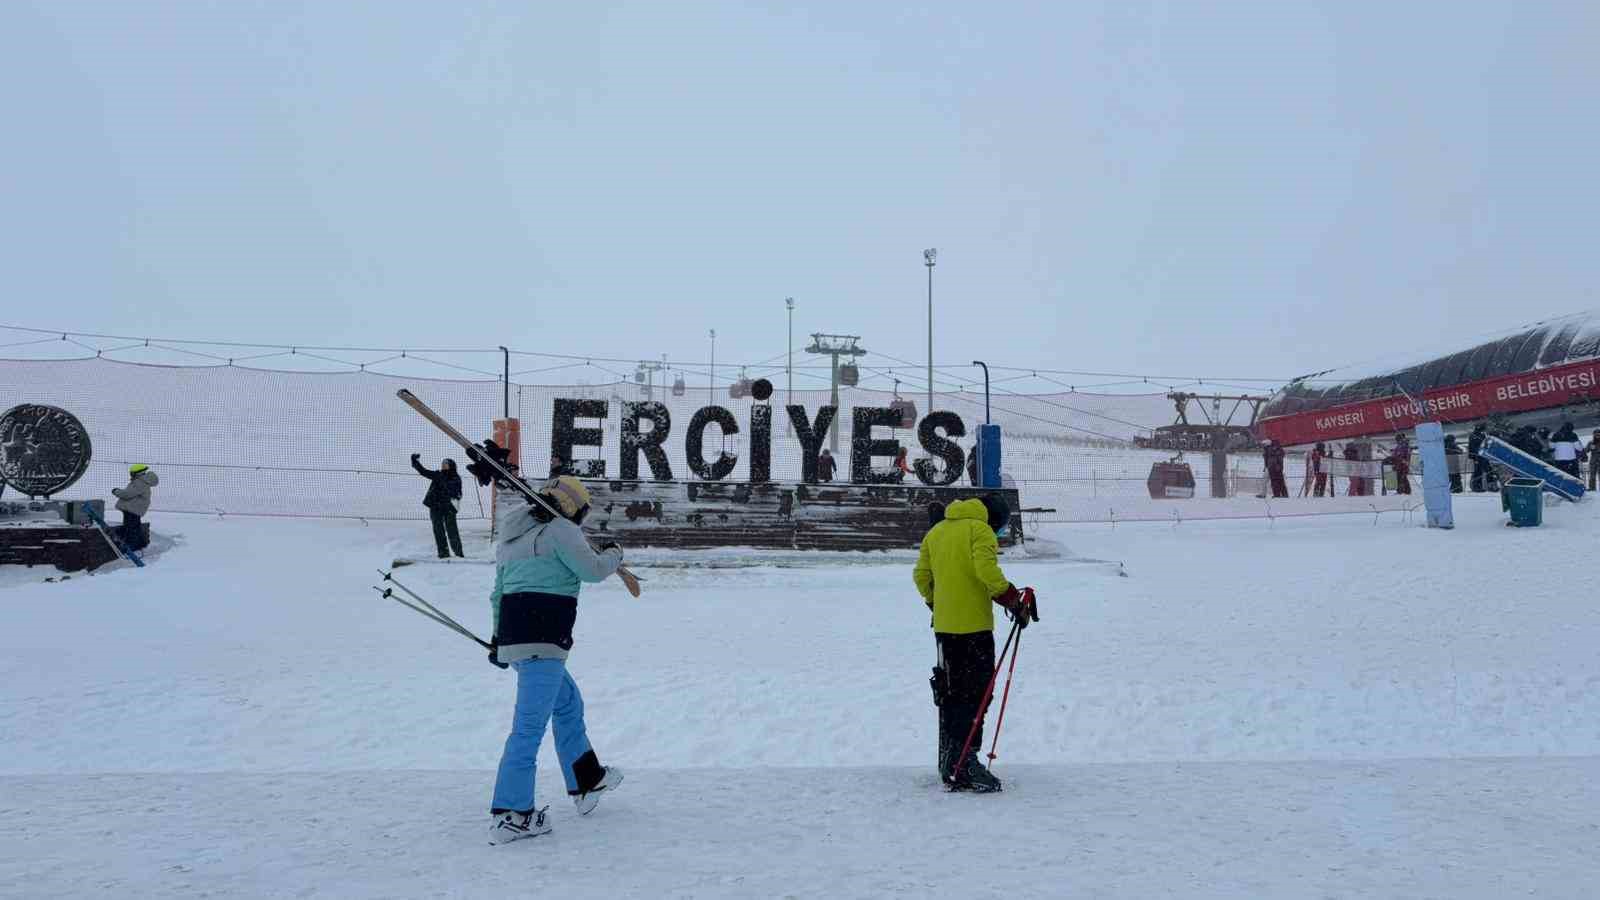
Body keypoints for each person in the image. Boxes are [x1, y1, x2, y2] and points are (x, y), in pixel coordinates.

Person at [488, 476, 626, 845]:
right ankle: (512, 814)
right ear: (574, 507)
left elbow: (498, 594)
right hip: (545, 642)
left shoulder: (512, 538)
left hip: (519, 641)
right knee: (528, 729)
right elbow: (593, 570)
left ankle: (586, 781)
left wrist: (498, 640)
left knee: (567, 704)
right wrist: (615, 554)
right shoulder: (562, 530)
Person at [913, 494, 1037, 793]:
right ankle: (966, 761)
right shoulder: (979, 530)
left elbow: (921, 576)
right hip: (974, 629)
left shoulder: (937, 531)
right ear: (993, 519)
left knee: (953, 693)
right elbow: (986, 572)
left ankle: (951, 758)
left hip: (944, 628)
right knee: (978, 694)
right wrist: (1012, 599)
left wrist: (937, 604)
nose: (996, 534)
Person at [411, 454, 464, 559]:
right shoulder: (438, 475)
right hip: (435, 506)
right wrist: (415, 462)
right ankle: (443, 554)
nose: (443, 465)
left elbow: (457, 493)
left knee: (452, 531)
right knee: (438, 530)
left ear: (451, 466)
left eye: (446, 464)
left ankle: (459, 554)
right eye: (443, 464)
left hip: (449, 507)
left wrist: (446, 486)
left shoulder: (456, 478)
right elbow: (423, 471)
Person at [110, 464, 158, 550]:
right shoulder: (143, 482)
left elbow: (127, 494)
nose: (131, 475)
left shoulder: (139, 482)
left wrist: (116, 491)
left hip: (132, 509)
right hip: (135, 509)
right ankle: (140, 543)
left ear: (138, 473)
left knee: (131, 528)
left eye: (132, 473)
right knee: (134, 526)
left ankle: (132, 546)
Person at [1467, 423, 1490, 492]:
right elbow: (1476, 447)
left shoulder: (1473, 435)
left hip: (1478, 456)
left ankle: (1478, 486)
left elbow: (1471, 447)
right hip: (1479, 456)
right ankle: (1477, 486)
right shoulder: (1479, 435)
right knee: (1479, 471)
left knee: (1479, 471)